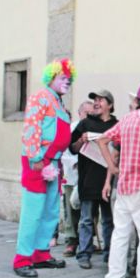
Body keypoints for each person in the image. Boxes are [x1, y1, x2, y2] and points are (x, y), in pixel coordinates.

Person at [13, 58, 76, 278]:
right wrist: (36, 157)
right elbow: (31, 127)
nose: (66, 82)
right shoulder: (40, 97)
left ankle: (41, 253)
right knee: (33, 210)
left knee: (50, 210)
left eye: (69, 78)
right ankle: (22, 259)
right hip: (38, 162)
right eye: (62, 77)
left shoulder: (58, 102)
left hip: (54, 162)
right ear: (51, 77)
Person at [97, 83, 140, 278]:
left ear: (139, 100)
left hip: (124, 184)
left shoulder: (126, 119)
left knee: (120, 233)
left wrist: (113, 168)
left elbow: (102, 139)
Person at [68, 90, 118, 269]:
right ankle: (84, 254)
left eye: (100, 100)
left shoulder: (116, 125)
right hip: (87, 179)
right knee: (87, 219)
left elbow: (120, 150)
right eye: (94, 100)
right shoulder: (85, 123)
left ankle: (109, 254)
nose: (96, 103)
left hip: (108, 181)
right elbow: (72, 148)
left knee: (108, 220)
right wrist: (82, 141)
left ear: (110, 105)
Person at [61, 100, 94, 258]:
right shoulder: (72, 129)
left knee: (89, 210)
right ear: (80, 113)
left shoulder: (94, 128)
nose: (89, 116)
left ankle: (87, 240)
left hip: (90, 176)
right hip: (73, 174)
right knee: (71, 208)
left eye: (91, 113)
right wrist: (76, 163)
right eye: (86, 113)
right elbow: (66, 151)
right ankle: (71, 240)